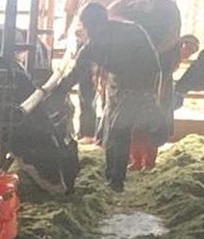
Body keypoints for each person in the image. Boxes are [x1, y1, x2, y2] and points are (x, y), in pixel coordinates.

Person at [57, 3, 167, 189]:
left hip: (140, 81)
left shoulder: (129, 32)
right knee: (110, 126)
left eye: (91, 25)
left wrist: (148, 91)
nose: (91, 30)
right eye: (88, 25)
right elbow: (78, 70)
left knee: (119, 129)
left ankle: (116, 180)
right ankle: (111, 174)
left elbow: (152, 64)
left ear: (101, 21)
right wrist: (59, 89)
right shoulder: (96, 42)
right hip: (118, 81)